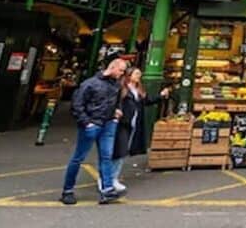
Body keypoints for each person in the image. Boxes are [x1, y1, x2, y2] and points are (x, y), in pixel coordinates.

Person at [61, 58, 127, 205]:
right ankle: (67, 190)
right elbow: (77, 105)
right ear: (113, 67)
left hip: (107, 123)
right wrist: (87, 123)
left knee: (106, 157)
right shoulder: (90, 84)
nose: (122, 74)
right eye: (121, 70)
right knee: (79, 157)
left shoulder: (115, 84)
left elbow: (117, 102)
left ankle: (107, 190)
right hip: (93, 124)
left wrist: (117, 112)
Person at [109, 67, 169, 192]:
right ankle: (109, 178)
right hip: (122, 123)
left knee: (122, 151)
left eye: (139, 75)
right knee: (118, 151)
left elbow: (147, 101)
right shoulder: (121, 88)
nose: (138, 77)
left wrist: (161, 96)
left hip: (134, 124)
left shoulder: (138, 89)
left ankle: (112, 177)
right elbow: (113, 103)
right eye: (136, 74)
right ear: (129, 75)